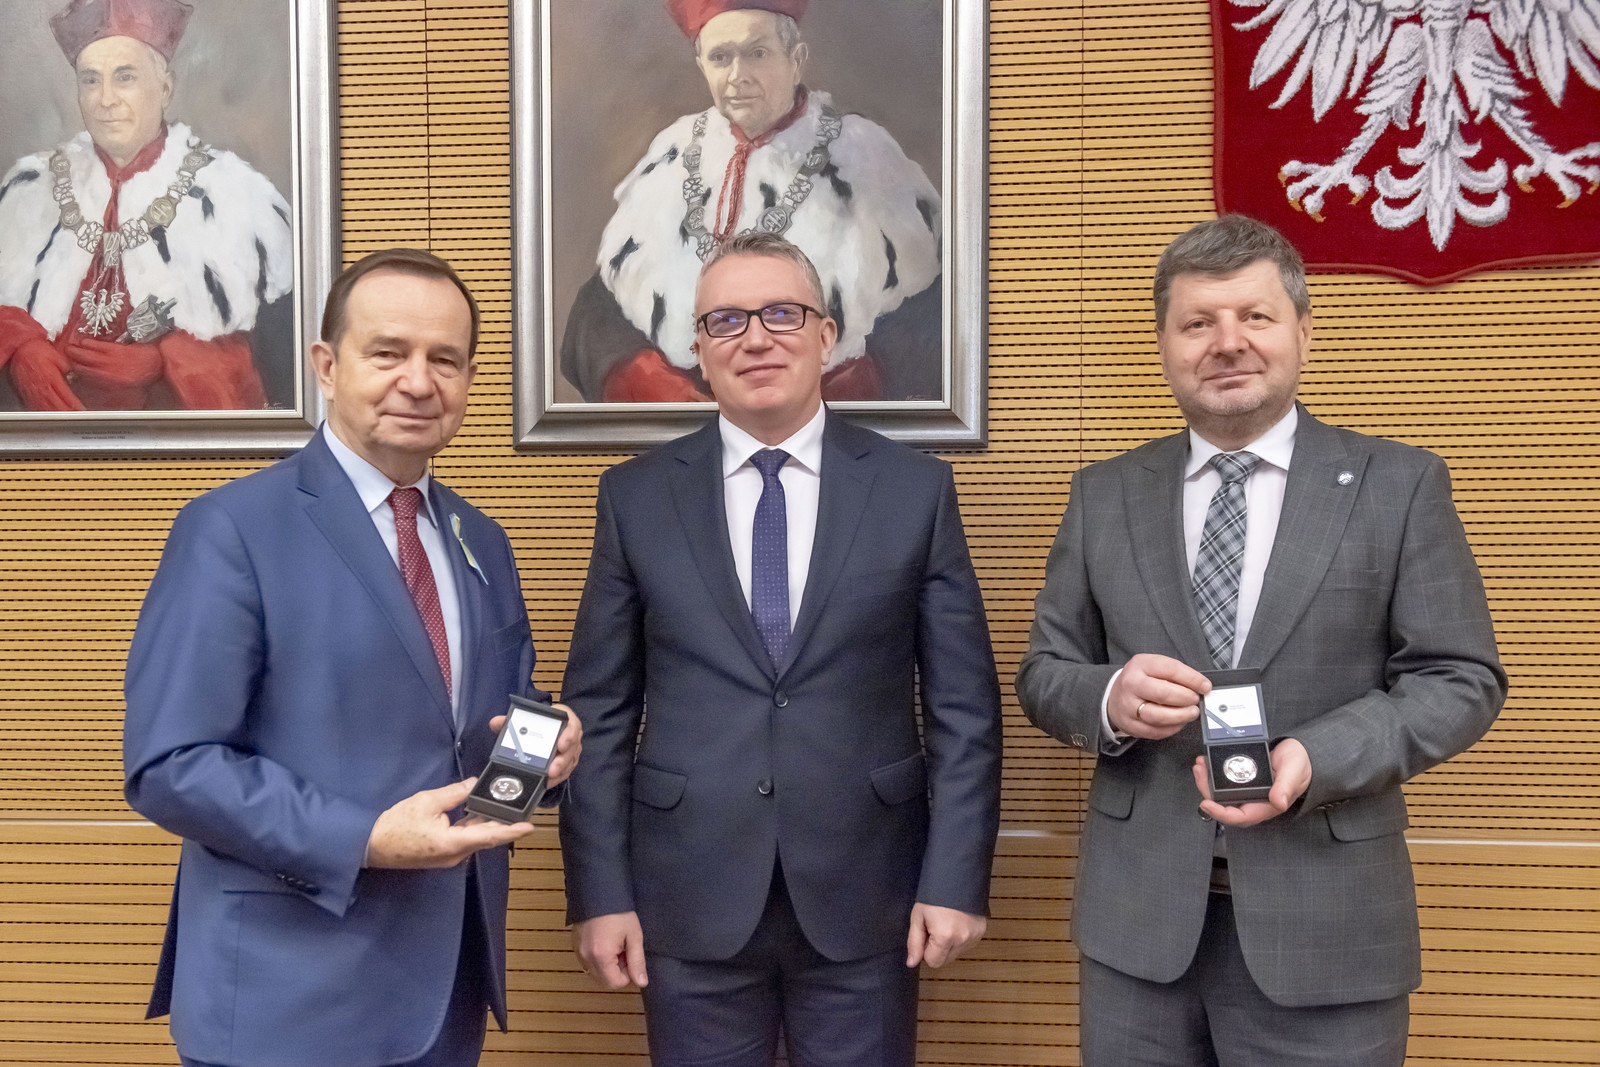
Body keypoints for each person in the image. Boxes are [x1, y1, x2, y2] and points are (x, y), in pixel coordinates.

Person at [1015, 215, 1507, 1065]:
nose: (1227, 342)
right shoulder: (1103, 494)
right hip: (1138, 931)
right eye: (1198, 322)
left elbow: (1459, 678)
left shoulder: (1399, 485)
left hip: (1330, 930)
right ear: (1165, 346)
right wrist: (1110, 696)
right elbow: (1044, 672)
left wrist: (1318, 755)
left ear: (1303, 333)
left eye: (1255, 316)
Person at [122, 248, 581, 1067]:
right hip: (286, 1003)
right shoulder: (232, 530)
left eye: (445, 359)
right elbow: (170, 764)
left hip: (445, 998)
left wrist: (543, 753)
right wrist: (362, 836)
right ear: (327, 367)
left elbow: (475, 738)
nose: (419, 381)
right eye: (388, 352)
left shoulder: (483, 541)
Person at [558, 232, 1002, 1066]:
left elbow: (964, 711)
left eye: (782, 314)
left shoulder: (915, 490)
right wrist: (599, 891)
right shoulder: (635, 498)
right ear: (697, 349)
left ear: (827, 335)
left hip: (869, 896)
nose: (755, 338)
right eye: (726, 320)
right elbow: (600, 714)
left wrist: (955, 879)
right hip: (685, 899)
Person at [560, 0, 943, 404]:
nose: (737, 76)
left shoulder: (863, 159)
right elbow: (600, 311)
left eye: (757, 53)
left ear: (796, 60)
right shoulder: (671, 155)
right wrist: (649, 383)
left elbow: (933, 321)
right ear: (702, 66)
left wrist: (844, 391)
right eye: (720, 57)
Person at [0, 0, 293, 412]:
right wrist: (20, 349)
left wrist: (164, 363)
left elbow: (282, 371)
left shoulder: (235, 197)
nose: (105, 100)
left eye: (125, 77)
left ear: (165, 90)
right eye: (90, 80)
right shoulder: (29, 190)